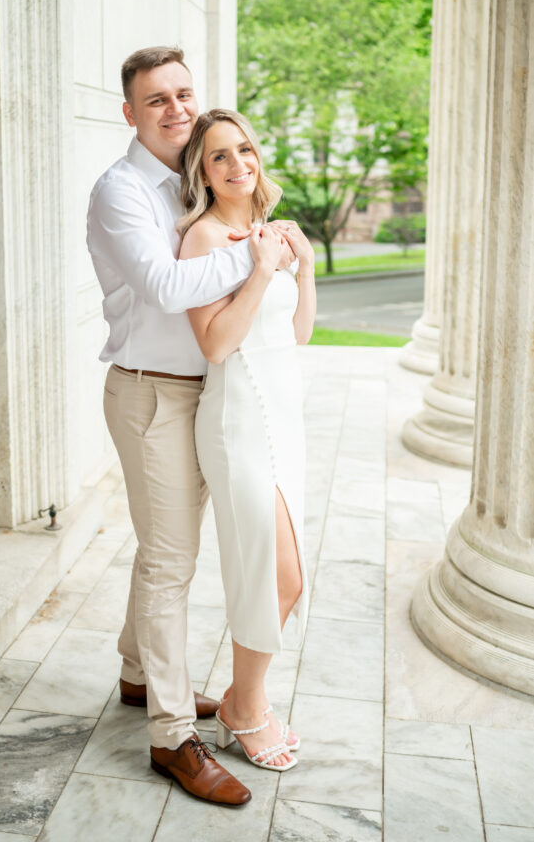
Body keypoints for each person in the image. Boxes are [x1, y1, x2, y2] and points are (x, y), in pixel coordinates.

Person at [86, 47, 295, 806]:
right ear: (129, 113)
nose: (175, 109)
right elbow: (168, 286)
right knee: (171, 564)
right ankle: (172, 735)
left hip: (205, 397)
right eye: (155, 101)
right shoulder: (120, 191)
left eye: (183, 94)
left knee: (166, 554)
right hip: (150, 395)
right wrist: (258, 257)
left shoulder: (189, 183)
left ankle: (140, 676)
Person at [179, 108, 317, 771]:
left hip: (281, 419)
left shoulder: (267, 230)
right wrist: (259, 268)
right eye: (218, 157)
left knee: (285, 579)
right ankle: (246, 709)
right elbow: (214, 343)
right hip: (236, 420)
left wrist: (304, 267)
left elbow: (296, 336)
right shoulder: (203, 240)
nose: (238, 165)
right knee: (274, 579)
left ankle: (240, 702)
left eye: (244, 150)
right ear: (201, 174)